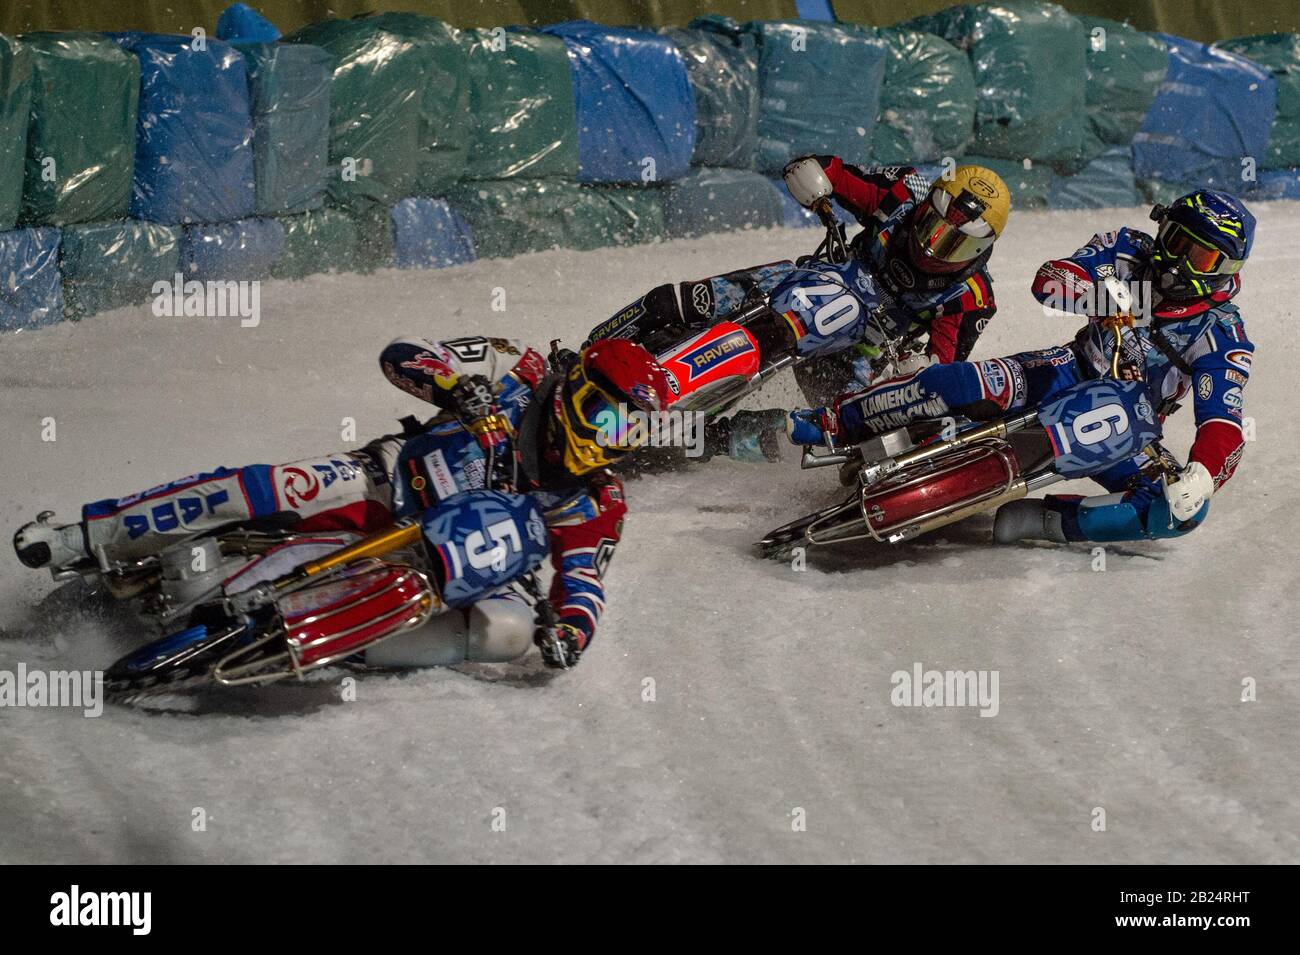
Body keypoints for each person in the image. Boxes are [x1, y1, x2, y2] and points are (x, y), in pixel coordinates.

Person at [14, 335, 671, 668]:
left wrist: (571, 631)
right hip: (386, 478)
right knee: (273, 484)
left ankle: (349, 648)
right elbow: (403, 353)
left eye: (626, 429)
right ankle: (90, 533)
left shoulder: (598, 500)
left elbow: (584, 581)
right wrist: (455, 387)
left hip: (452, 563)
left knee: (511, 632)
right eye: (599, 413)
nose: (604, 438)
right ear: (571, 387)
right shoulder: (519, 368)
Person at [787, 190, 1255, 545]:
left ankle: (1048, 520)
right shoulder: (1126, 249)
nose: (1175, 259)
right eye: (1174, 239)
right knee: (956, 382)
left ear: (1225, 267)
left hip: (1128, 425)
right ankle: (829, 423)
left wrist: (1203, 474)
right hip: (1065, 369)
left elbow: (1222, 422)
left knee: (1181, 513)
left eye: (1198, 255)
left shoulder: (1223, 334)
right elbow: (1051, 280)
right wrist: (1103, 297)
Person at [591, 156, 1011, 408]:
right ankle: (586, 356)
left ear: (981, 250)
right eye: (933, 228)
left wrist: (916, 368)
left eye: (954, 245)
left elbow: (945, 372)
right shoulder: (905, 189)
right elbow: (829, 171)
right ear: (926, 207)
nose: (933, 249)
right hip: (811, 278)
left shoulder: (973, 297)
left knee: (836, 434)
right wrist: (817, 184)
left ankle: (719, 439)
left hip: (861, 349)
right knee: (674, 301)